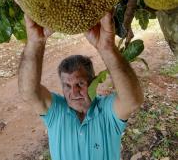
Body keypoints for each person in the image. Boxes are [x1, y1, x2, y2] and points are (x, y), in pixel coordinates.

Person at [18, 11, 144, 160]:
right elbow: (28, 92)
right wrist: (34, 42)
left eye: (80, 83)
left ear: (93, 82)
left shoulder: (107, 111)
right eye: (67, 85)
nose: (74, 92)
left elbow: (132, 101)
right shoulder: (56, 111)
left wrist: (107, 48)